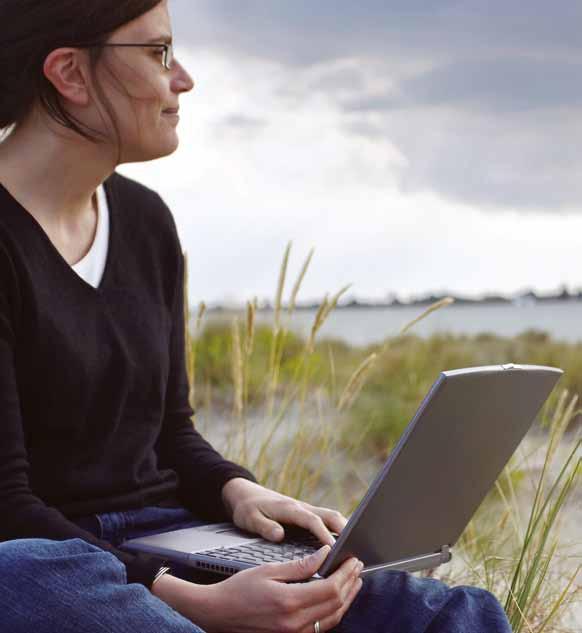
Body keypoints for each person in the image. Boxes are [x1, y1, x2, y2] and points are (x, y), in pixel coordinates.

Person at [0, 1, 514, 631]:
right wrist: (194, 604)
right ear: (71, 74)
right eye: (159, 53)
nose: (183, 78)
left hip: (175, 537)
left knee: (446, 613)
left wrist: (242, 494)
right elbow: (7, 505)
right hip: (53, 564)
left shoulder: (144, 222)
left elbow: (171, 434)